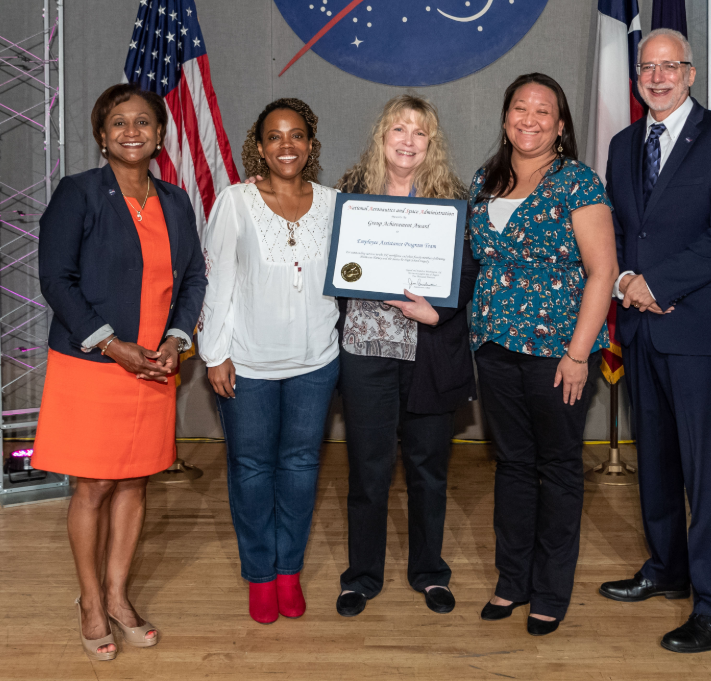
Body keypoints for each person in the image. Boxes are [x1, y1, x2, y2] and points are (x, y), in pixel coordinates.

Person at [33, 84, 207, 661]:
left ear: (160, 134)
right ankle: (88, 602)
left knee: (135, 481)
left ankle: (117, 596)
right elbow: (57, 280)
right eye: (118, 123)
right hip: (93, 365)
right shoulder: (78, 194)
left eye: (142, 122)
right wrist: (113, 346)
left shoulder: (176, 202)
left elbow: (193, 281)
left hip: (156, 366)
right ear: (101, 135)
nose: (131, 131)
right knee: (94, 485)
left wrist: (177, 341)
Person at [599, 27, 711, 654]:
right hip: (639, 329)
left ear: (691, 74)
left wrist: (657, 282)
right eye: (647, 68)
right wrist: (628, 284)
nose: (657, 77)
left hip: (694, 331)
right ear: (637, 78)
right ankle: (666, 570)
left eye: (670, 67)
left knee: (706, 470)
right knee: (657, 464)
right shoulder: (622, 143)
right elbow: (616, 228)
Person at [468, 73, 619, 636]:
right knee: (511, 465)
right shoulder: (486, 178)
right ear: (506, 115)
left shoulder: (578, 182)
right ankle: (513, 581)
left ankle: (550, 591)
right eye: (519, 108)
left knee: (557, 468)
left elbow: (602, 271)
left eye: (542, 112)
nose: (529, 120)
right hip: (493, 346)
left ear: (561, 125)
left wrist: (579, 354)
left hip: (558, 351)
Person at [332, 95, 478, 619]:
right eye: (399, 129)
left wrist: (438, 313)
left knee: (427, 470)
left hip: (428, 352)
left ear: (431, 143)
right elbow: (337, 264)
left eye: (420, 132)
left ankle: (429, 572)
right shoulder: (351, 191)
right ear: (382, 136)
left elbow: (469, 271)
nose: (408, 140)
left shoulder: (454, 197)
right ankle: (361, 576)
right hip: (365, 350)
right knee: (368, 471)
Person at [199, 98, 339, 625]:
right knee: (252, 470)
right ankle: (260, 575)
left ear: (310, 143)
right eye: (275, 136)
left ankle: (289, 573)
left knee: (301, 469)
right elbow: (219, 284)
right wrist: (215, 353)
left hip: (316, 362)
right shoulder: (236, 201)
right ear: (259, 146)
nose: (287, 145)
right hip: (248, 363)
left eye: (297, 135)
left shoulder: (332, 202)